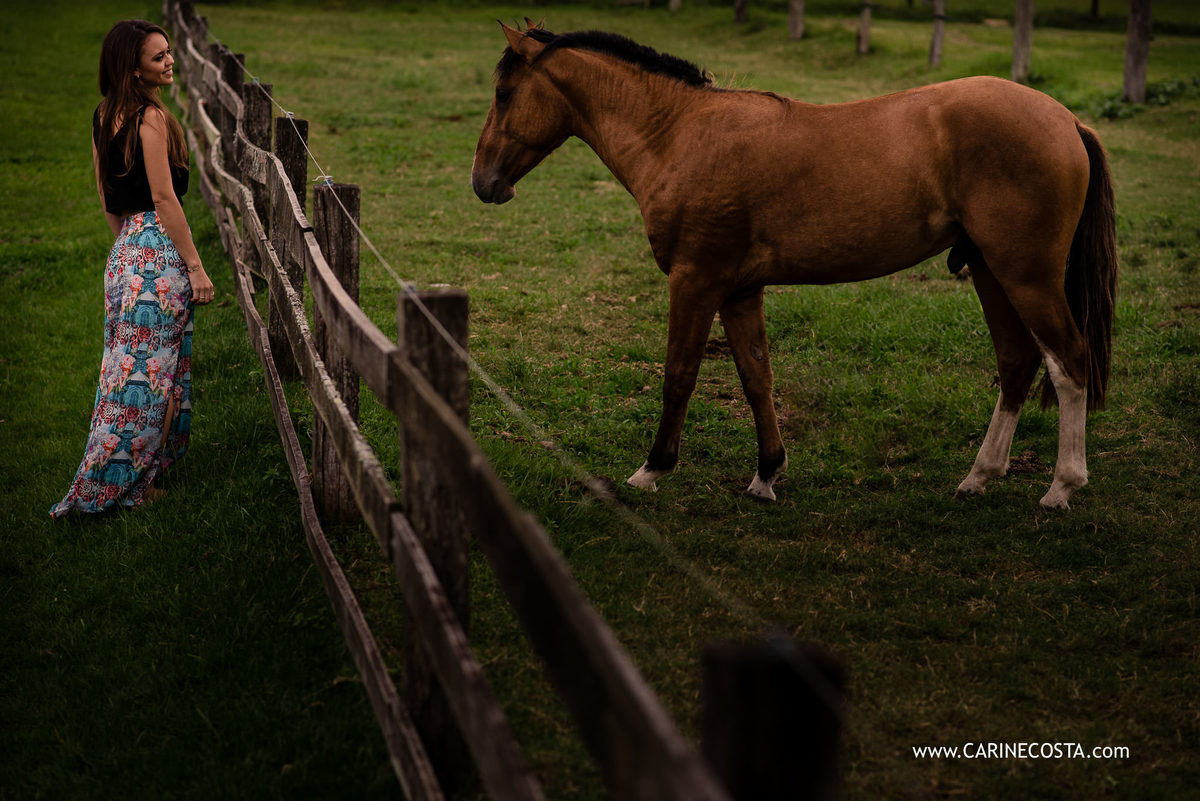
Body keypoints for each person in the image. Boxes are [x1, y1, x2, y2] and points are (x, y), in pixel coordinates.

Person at [50, 19, 214, 517]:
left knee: (125, 371)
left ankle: (127, 471)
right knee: (157, 373)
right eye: (158, 57)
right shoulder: (151, 119)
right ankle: (133, 485)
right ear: (133, 68)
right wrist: (196, 266)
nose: (169, 62)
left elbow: (106, 198)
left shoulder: (102, 116)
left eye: (168, 53)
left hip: (124, 252)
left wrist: (128, 249)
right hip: (159, 253)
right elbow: (164, 198)